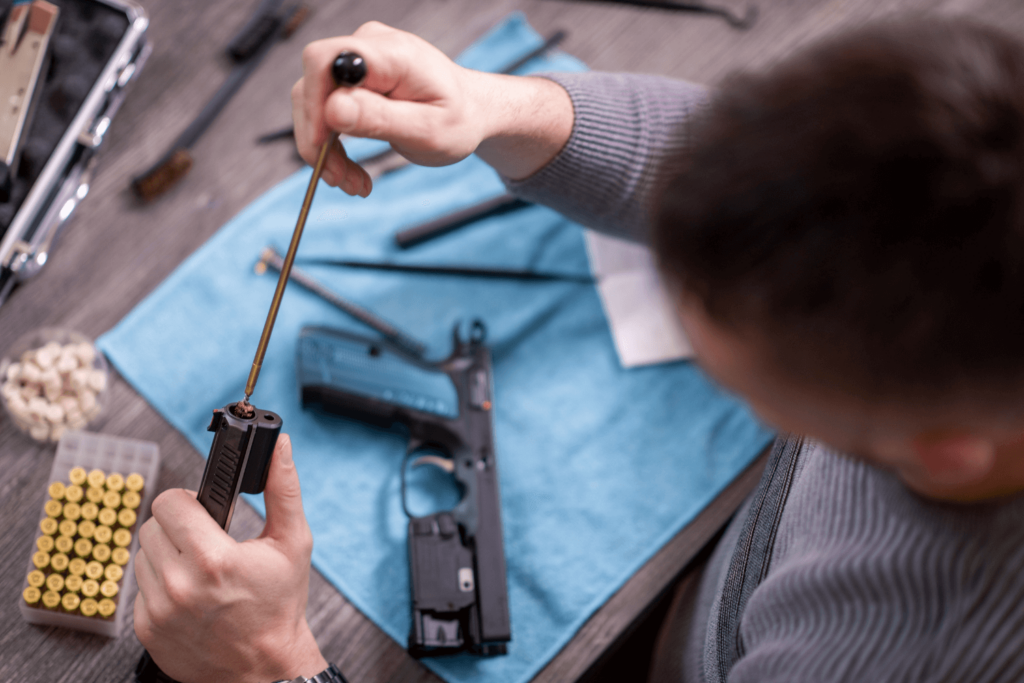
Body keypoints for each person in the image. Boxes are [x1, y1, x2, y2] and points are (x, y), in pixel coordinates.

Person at [134, 15, 1024, 683]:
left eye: (735, 370)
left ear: (941, 450)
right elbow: (728, 172)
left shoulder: (895, 652)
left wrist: (277, 661)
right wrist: (493, 106)